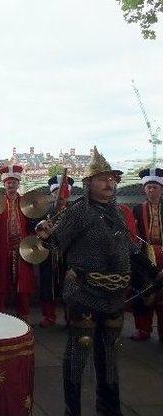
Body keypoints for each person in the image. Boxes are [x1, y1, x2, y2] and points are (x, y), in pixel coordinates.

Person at [36, 147, 162, 416]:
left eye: (112, 179)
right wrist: (46, 235)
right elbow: (57, 244)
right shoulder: (78, 212)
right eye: (103, 178)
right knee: (79, 351)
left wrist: (153, 272)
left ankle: (109, 409)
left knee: (110, 354)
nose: (110, 183)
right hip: (83, 292)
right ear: (89, 183)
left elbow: (130, 249)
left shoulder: (117, 212)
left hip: (115, 294)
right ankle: (73, 411)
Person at [0, 164, 35, 322]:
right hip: (2, 247)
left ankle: (24, 314)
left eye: (14, 182)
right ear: (4, 184)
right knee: (0, 282)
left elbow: (32, 223)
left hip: (23, 248)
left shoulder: (26, 202)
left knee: (24, 283)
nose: (11, 185)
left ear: (18, 184)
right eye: (8, 182)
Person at [131, 167, 163, 341]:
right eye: (148, 187)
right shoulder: (137, 209)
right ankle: (143, 329)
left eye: (155, 187)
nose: (151, 190)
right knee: (143, 290)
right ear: (144, 189)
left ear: (162, 189)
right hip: (144, 256)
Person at [38, 173, 74, 328]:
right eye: (55, 193)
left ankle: (70, 317)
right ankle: (49, 316)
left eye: (63, 194)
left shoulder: (75, 212)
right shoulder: (42, 211)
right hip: (48, 254)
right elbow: (35, 232)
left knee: (70, 288)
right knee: (47, 286)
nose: (59, 197)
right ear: (52, 194)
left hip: (69, 255)